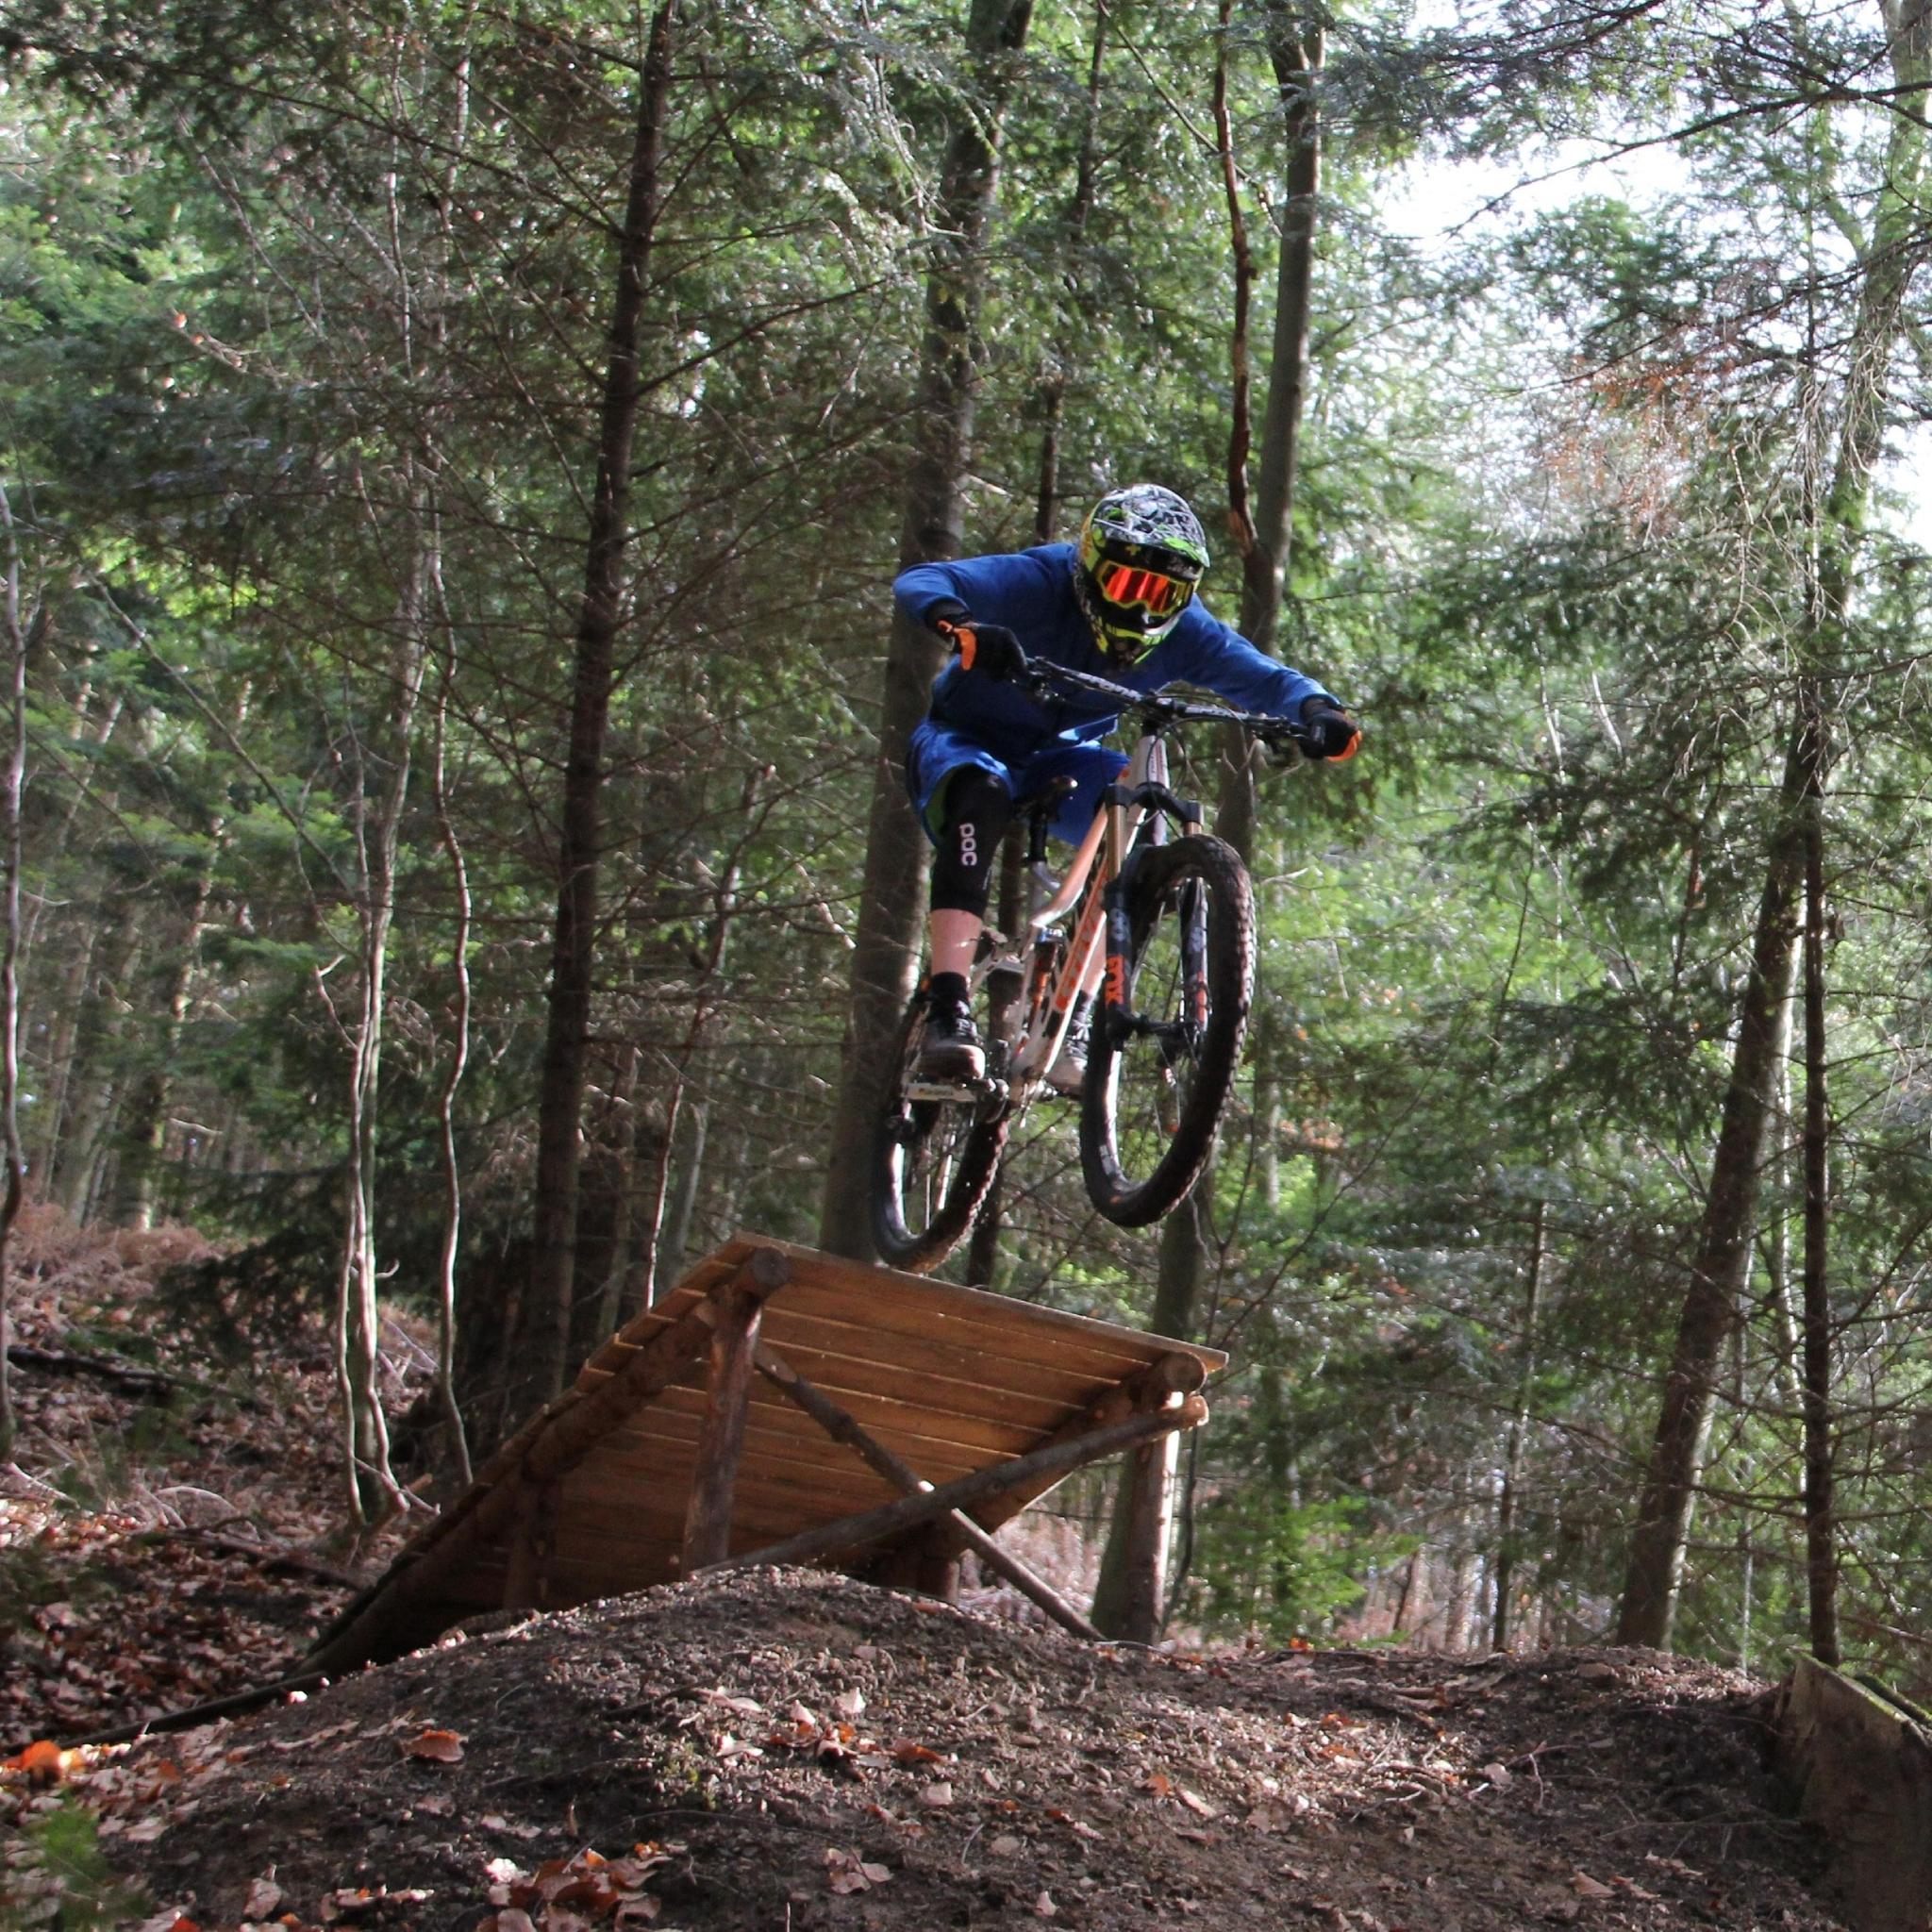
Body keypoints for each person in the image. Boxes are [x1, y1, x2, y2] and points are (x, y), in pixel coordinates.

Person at [894, 482, 1358, 1086]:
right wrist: (962, 625)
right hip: (965, 739)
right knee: (979, 794)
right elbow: (924, 579)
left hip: (1066, 758)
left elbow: (1266, 678)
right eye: (1127, 586)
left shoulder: (1186, 631)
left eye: (1162, 595)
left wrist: (1319, 709)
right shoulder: (1038, 581)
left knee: (1138, 822)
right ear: (1090, 567)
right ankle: (947, 1010)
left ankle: (1079, 1015)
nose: (1142, 609)